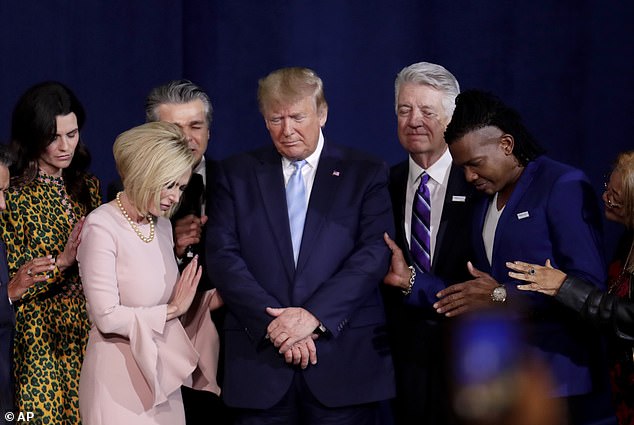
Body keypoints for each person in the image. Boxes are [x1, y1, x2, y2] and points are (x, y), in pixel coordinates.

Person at [206, 67, 395, 424]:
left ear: (322, 113)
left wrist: (313, 317)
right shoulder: (237, 174)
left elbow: (374, 253)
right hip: (260, 360)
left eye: (297, 117)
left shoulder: (364, 171)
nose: (287, 129)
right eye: (276, 118)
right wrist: (276, 327)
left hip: (341, 363)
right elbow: (222, 255)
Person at [435, 90, 614, 424]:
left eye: (475, 164)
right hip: (502, 382)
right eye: (463, 168)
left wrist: (501, 295)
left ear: (506, 144)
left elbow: (588, 286)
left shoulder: (562, 184)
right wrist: (409, 281)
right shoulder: (483, 199)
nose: (470, 177)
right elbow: (476, 290)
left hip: (561, 382)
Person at [77, 121, 222, 424]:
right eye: (168, 184)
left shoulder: (164, 227)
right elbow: (105, 316)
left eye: (181, 188)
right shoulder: (101, 226)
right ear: (146, 174)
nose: (175, 197)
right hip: (117, 382)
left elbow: (166, 304)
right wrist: (170, 311)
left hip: (161, 378)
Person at [507, 150, 634, 424]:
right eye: (606, 189)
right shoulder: (627, 241)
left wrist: (563, 286)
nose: (605, 198)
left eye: (615, 196)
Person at [381, 62, 476, 425]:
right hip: (399, 363)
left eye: (427, 111)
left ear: (451, 119)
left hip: (466, 360)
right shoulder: (381, 185)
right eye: (404, 110)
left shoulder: (478, 183)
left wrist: (415, 285)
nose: (414, 120)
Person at [0, 82, 101, 424]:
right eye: (53, 136)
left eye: (72, 134)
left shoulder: (88, 188)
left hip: (87, 332)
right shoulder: (11, 194)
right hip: (38, 338)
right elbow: (15, 278)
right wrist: (63, 261)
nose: (64, 146)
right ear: (32, 135)